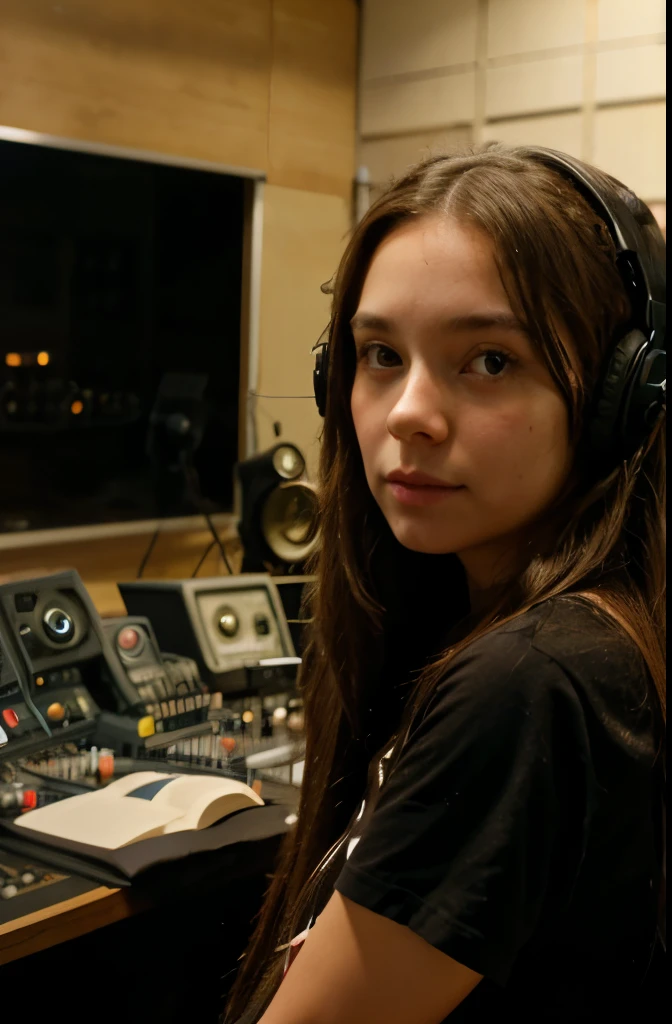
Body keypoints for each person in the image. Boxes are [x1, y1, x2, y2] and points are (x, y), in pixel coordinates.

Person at [225, 143, 666, 1024]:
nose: (407, 414)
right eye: (379, 354)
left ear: (629, 395)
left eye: (490, 360)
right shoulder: (592, 635)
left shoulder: (534, 682)